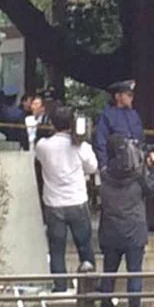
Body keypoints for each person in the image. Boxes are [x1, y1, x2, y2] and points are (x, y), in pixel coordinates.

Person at [35, 104, 98, 293]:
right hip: (77, 202)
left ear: (52, 123)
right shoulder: (82, 146)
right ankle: (89, 286)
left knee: (56, 248)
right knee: (84, 246)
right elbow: (92, 168)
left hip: (54, 204)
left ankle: (60, 286)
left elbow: (38, 159)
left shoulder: (43, 146)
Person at [97, 134, 154, 307]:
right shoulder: (138, 176)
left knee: (109, 271)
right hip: (134, 229)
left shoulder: (104, 176)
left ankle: (105, 305)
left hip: (110, 229)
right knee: (134, 271)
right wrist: (152, 168)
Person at [93, 80, 145, 170]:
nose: (131, 98)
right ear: (118, 96)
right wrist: (103, 165)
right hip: (116, 166)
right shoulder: (107, 115)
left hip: (136, 165)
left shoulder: (134, 114)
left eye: (132, 95)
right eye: (128, 95)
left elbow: (141, 138)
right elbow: (101, 141)